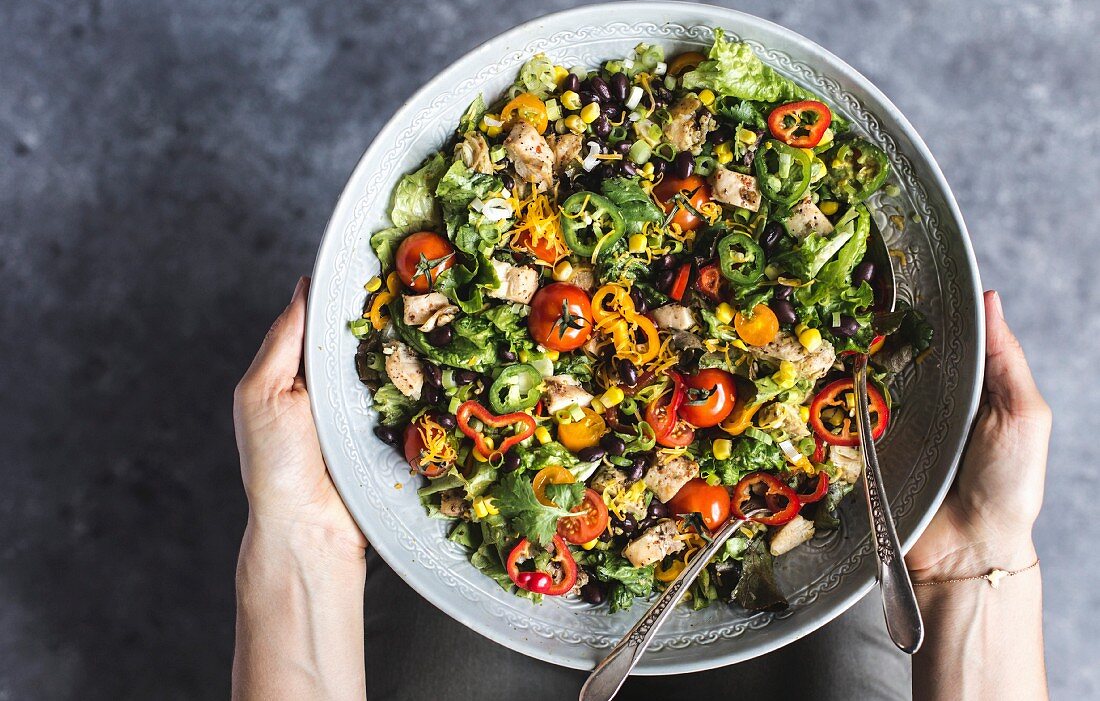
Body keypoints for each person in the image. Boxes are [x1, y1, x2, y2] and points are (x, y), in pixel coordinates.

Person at [232, 279, 1050, 701]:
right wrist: (977, 559)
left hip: (551, 565)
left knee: (450, 582)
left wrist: (306, 536)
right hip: (790, 595)